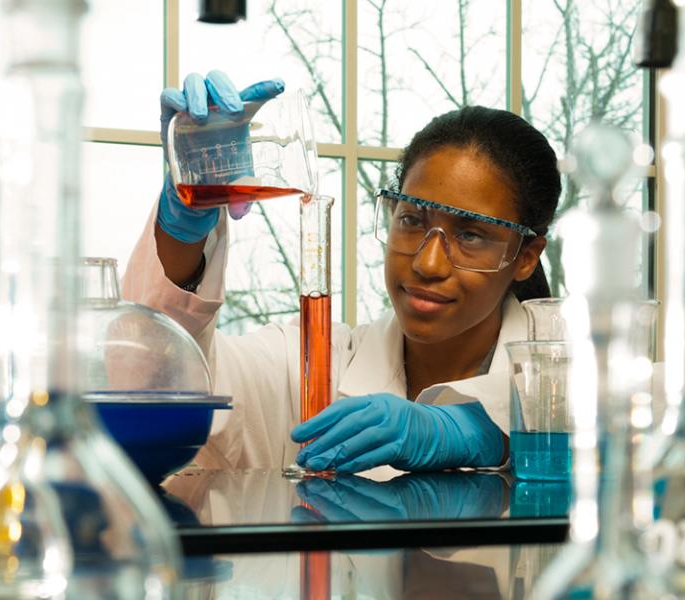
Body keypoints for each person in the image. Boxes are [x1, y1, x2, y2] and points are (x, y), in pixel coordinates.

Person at [122, 70, 560, 473]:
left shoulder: (580, 375)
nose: (428, 264)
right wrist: (181, 234)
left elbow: (587, 416)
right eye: (411, 220)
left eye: (471, 235)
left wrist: (486, 430)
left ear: (525, 255)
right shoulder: (313, 367)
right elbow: (157, 383)